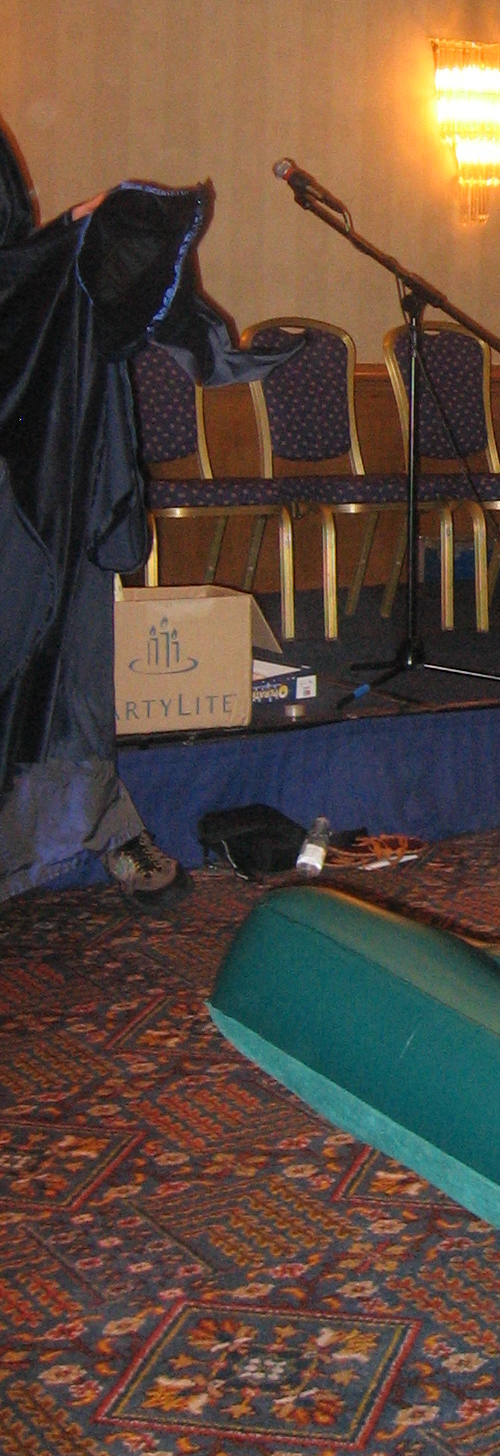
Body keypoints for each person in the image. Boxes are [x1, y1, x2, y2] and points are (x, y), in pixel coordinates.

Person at [0, 123, 294, 902]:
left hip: (37, 448)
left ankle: (100, 820)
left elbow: (15, 273)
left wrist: (74, 243)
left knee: (70, 650)